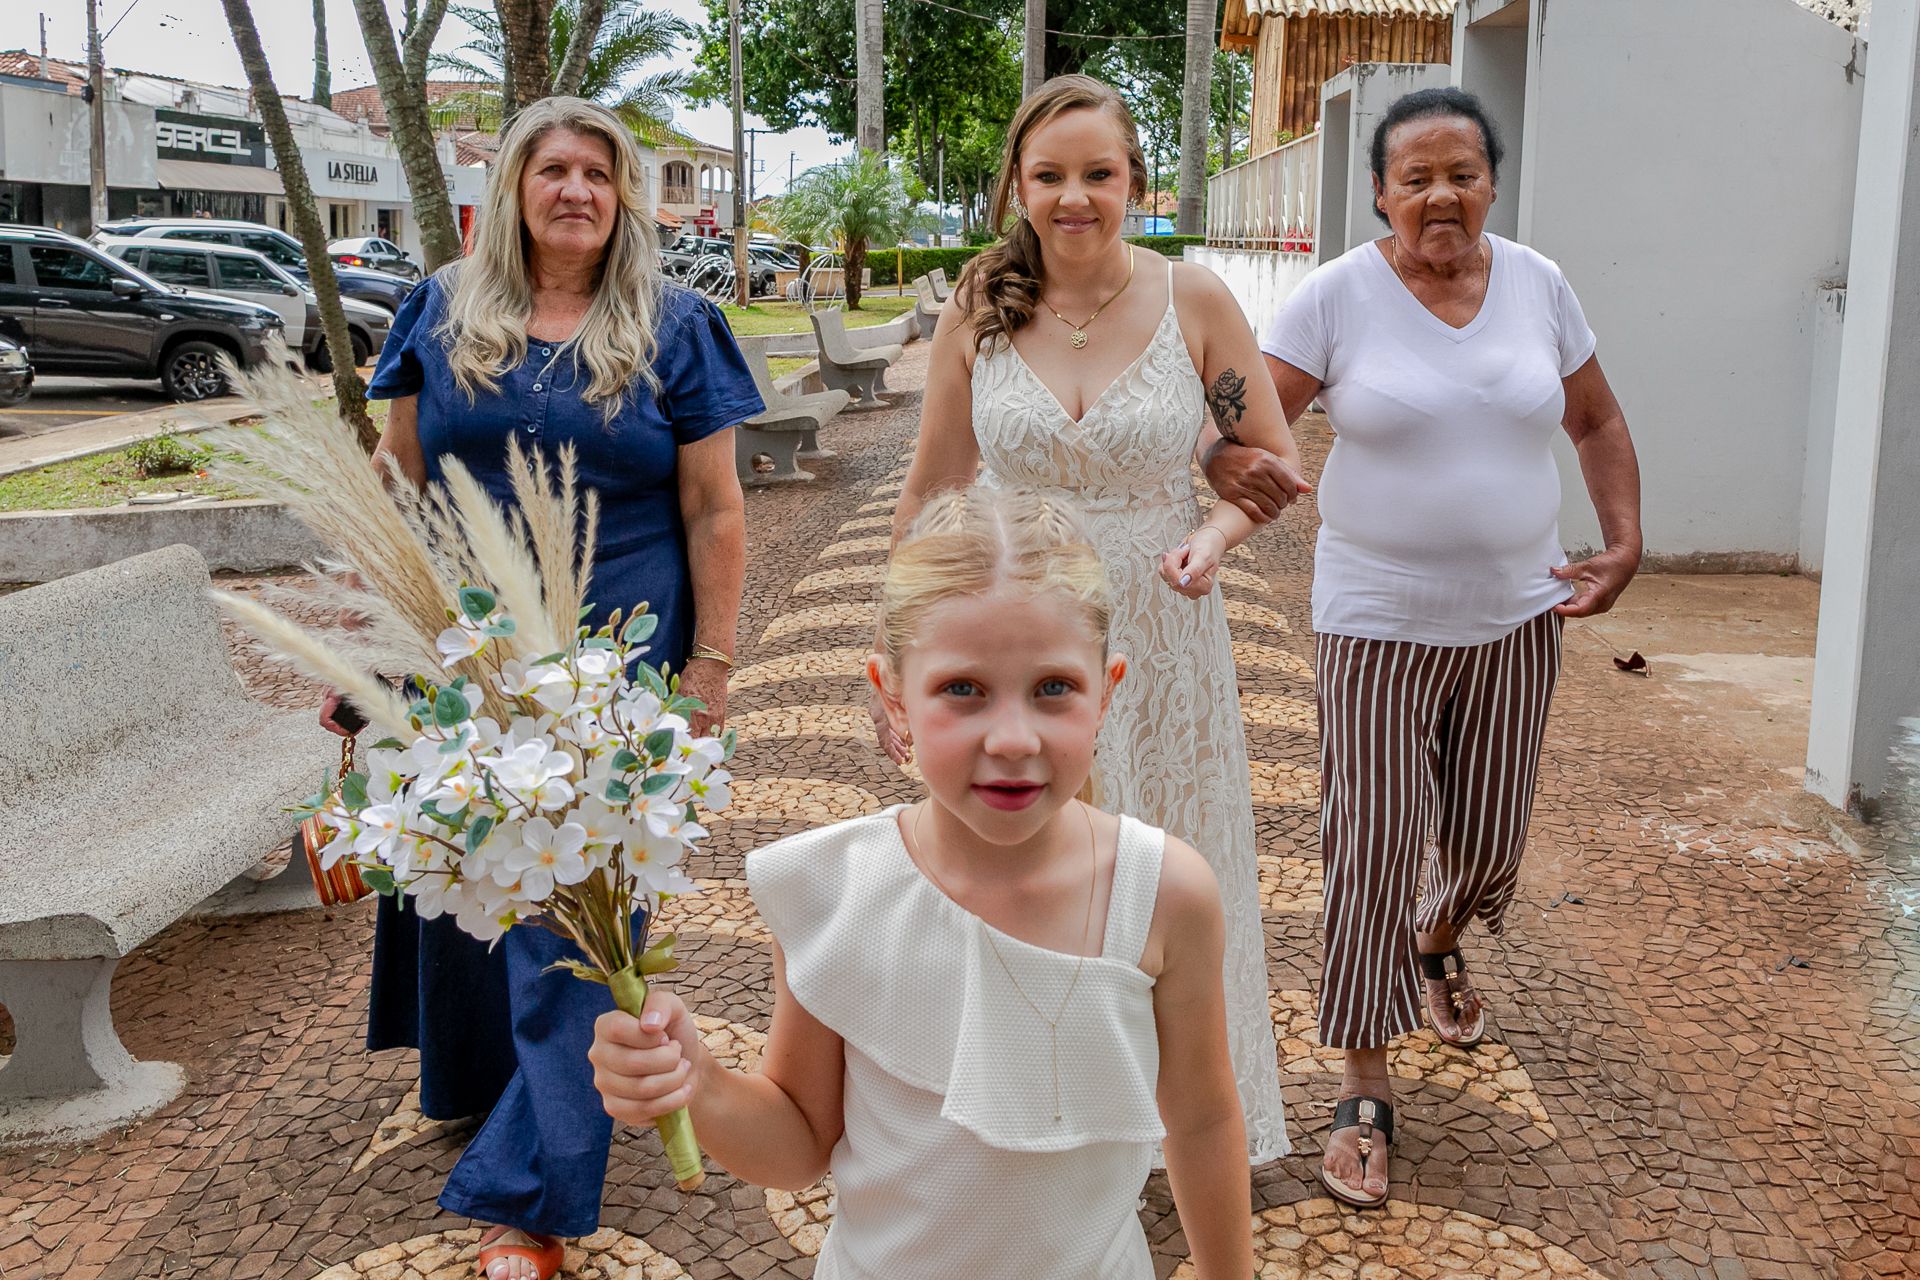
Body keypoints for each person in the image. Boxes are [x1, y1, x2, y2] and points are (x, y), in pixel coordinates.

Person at [591, 485, 1255, 1279]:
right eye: (963, 690)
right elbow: (801, 1139)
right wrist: (697, 1082)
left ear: (1106, 690)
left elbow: (1205, 1119)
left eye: (1053, 688)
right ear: (892, 694)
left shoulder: (1163, 893)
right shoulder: (838, 892)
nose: (1012, 739)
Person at [321, 96, 762, 1280]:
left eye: (600, 173)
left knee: (586, 915)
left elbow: (716, 507)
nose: (576, 189)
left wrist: (709, 665)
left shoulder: (676, 324)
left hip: (620, 650)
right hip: (468, 649)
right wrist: (376, 648)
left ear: (624, 198)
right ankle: (481, 1083)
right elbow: (397, 479)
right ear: (513, 185)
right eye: (554, 169)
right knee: (470, 874)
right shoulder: (442, 309)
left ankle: (534, 1194)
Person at [1205, 86, 1643, 1208]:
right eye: (1416, 177)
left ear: (1492, 181)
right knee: (1373, 838)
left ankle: (1439, 935)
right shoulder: (1336, 298)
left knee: (1491, 840)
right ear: (1381, 194)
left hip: (1520, 612)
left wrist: (1627, 538)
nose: (1441, 194)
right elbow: (1251, 418)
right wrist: (1221, 468)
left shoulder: (1539, 284)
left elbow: (1592, 419)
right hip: (1375, 619)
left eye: (1462, 173)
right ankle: (1363, 1077)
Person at [878, 73, 1311, 1165]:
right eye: (1050, 176)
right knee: (1022, 876)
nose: (1076, 197)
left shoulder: (1196, 299)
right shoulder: (979, 305)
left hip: (1164, 634)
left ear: (1137, 183)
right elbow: (933, 483)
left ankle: (1186, 1127)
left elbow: (1273, 462)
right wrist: (901, 653)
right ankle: (1039, 1124)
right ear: (1015, 188)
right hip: (1016, 633)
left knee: (1164, 878)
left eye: (1099, 174)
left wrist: (1212, 538)